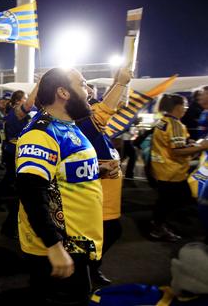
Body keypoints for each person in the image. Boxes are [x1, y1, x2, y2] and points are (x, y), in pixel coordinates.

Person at [15, 67, 114, 305]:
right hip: (60, 247)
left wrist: (99, 170)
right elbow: (30, 190)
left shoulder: (68, 125)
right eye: (82, 84)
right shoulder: (41, 133)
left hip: (76, 243)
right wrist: (54, 245)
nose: (89, 91)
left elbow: (59, 172)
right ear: (63, 92)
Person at [75, 66, 132, 287]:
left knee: (108, 233)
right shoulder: (81, 121)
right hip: (95, 198)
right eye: (82, 84)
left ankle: (90, 268)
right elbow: (105, 110)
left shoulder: (85, 118)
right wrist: (121, 84)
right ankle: (85, 271)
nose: (88, 89)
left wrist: (117, 83)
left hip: (104, 197)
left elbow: (102, 110)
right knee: (101, 235)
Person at [149, 94, 208, 241]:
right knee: (178, 199)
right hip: (173, 171)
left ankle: (158, 224)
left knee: (166, 201)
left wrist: (189, 144)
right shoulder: (175, 125)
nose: (186, 109)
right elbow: (177, 151)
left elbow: (172, 146)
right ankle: (159, 227)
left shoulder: (162, 122)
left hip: (162, 169)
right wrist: (201, 147)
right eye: (185, 106)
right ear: (178, 107)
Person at [0, 85, 38, 239]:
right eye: (24, 98)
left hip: (15, 152)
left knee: (13, 182)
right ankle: (4, 216)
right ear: (18, 101)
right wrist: (40, 84)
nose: (27, 101)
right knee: (15, 183)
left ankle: (2, 212)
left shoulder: (14, 113)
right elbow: (29, 105)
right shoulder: (16, 114)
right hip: (14, 152)